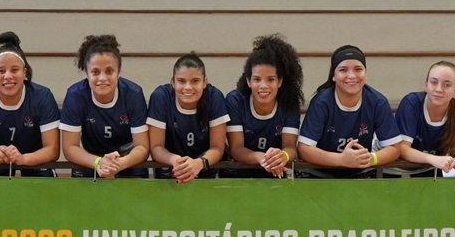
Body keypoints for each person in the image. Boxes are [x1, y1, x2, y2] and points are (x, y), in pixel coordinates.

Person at [0, 32, 61, 177]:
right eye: (1, 71)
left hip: (35, 157)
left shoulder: (43, 97)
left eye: (15, 70)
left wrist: (23, 159)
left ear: (24, 72)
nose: (8, 76)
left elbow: (52, 149)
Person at [298, 46, 402, 178]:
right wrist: (341, 159)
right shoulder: (321, 103)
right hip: (319, 173)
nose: (351, 76)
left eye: (358, 69)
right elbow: (304, 149)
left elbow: (394, 148)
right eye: (343, 70)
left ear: (366, 73)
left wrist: (371, 159)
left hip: (360, 172)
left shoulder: (378, 102)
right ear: (334, 76)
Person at [60, 34, 150, 178]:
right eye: (95, 72)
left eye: (109, 71)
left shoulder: (133, 94)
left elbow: (142, 147)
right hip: (90, 158)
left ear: (119, 72)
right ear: (87, 73)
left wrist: (121, 163)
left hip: (127, 159)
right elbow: (70, 147)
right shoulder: (75, 96)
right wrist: (98, 162)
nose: (102, 78)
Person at [224, 34, 303, 179]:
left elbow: (290, 148)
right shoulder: (235, 101)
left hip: (275, 170)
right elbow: (236, 148)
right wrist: (261, 158)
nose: (263, 86)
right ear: (248, 81)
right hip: (240, 172)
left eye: (271, 79)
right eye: (257, 79)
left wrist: (283, 156)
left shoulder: (289, 104)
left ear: (279, 82)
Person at [394, 61, 455, 176]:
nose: (438, 89)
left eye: (447, 85)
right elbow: (402, 149)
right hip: (394, 165)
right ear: (426, 85)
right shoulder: (411, 103)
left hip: (429, 166)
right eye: (434, 82)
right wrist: (432, 158)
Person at [148, 53, 229, 183]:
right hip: (170, 166)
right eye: (181, 81)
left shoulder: (215, 98)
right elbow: (156, 147)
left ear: (204, 82)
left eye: (195, 81)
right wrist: (177, 162)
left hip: (203, 165)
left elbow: (217, 147)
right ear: (172, 82)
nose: (188, 87)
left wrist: (198, 163)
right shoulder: (161, 97)